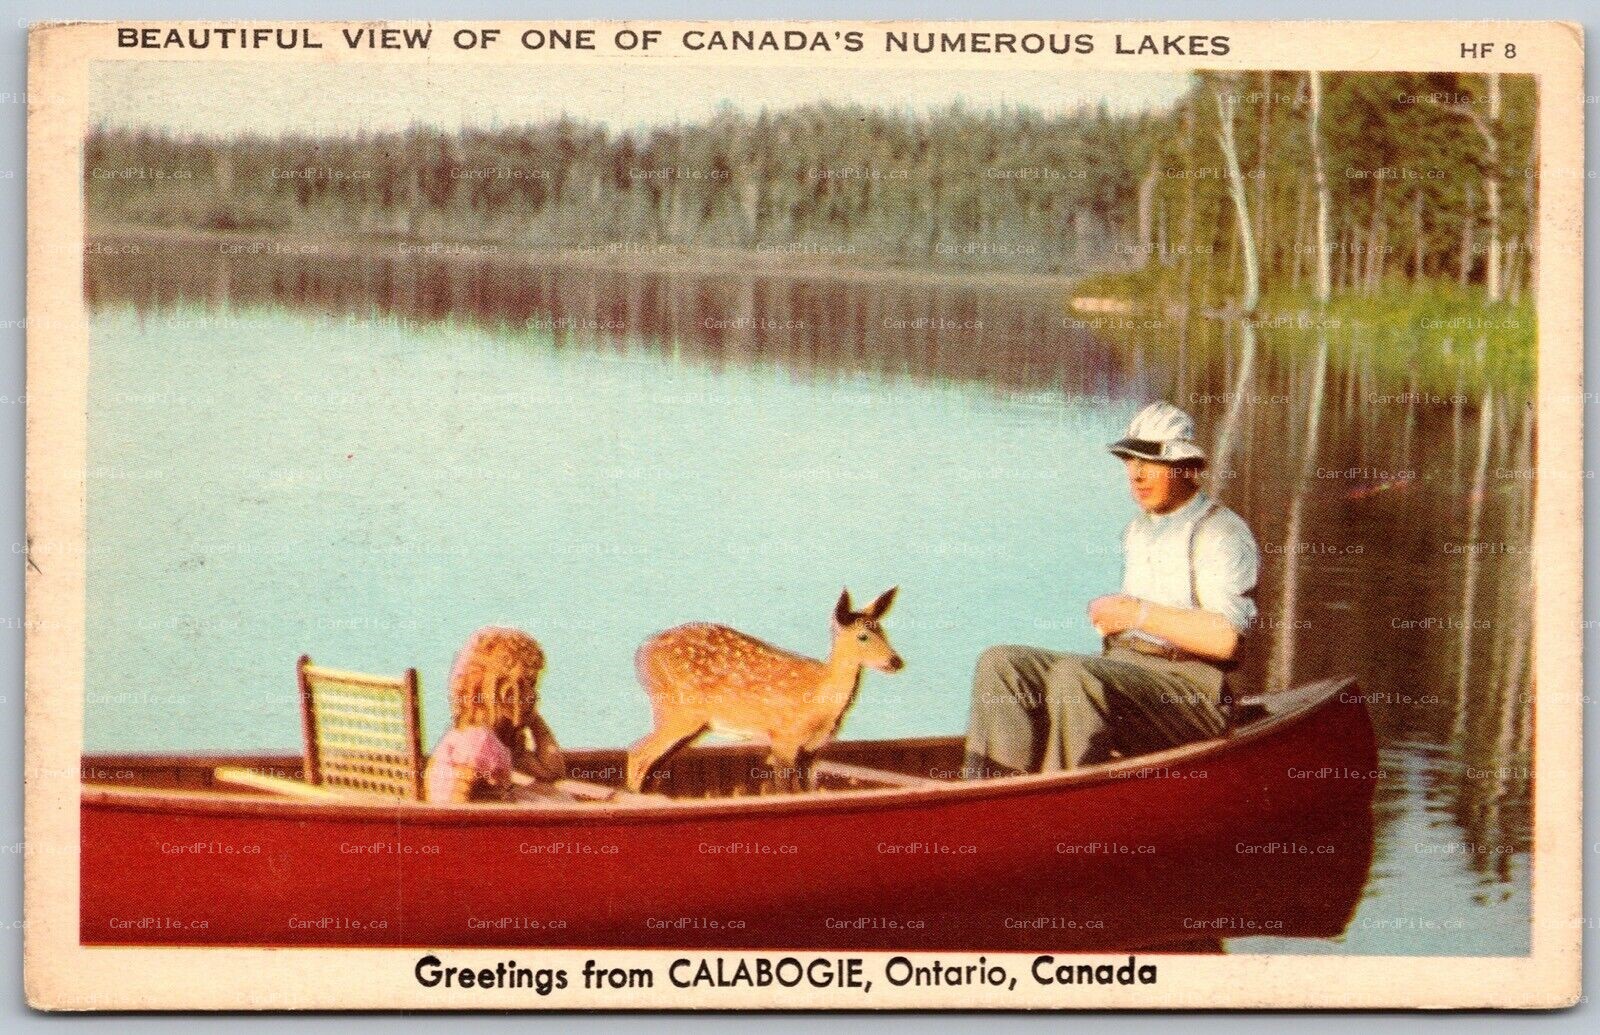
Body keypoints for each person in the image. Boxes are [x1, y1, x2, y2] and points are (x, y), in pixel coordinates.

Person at [963, 401, 1260, 778]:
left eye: (1151, 463)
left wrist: (1137, 614)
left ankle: (1059, 801)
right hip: (1127, 668)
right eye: (1130, 461)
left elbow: (1226, 641)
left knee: (1078, 676)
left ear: (1186, 468)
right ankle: (993, 791)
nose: (1136, 474)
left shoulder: (1222, 532)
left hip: (1192, 691)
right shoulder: (1139, 529)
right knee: (1001, 663)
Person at [424, 626, 566, 803]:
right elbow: (456, 800)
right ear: (505, 693)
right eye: (530, 684)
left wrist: (534, 719)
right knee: (557, 800)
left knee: (555, 796)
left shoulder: (497, 739)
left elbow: (551, 771)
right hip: (470, 818)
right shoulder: (479, 741)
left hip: (490, 810)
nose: (534, 695)